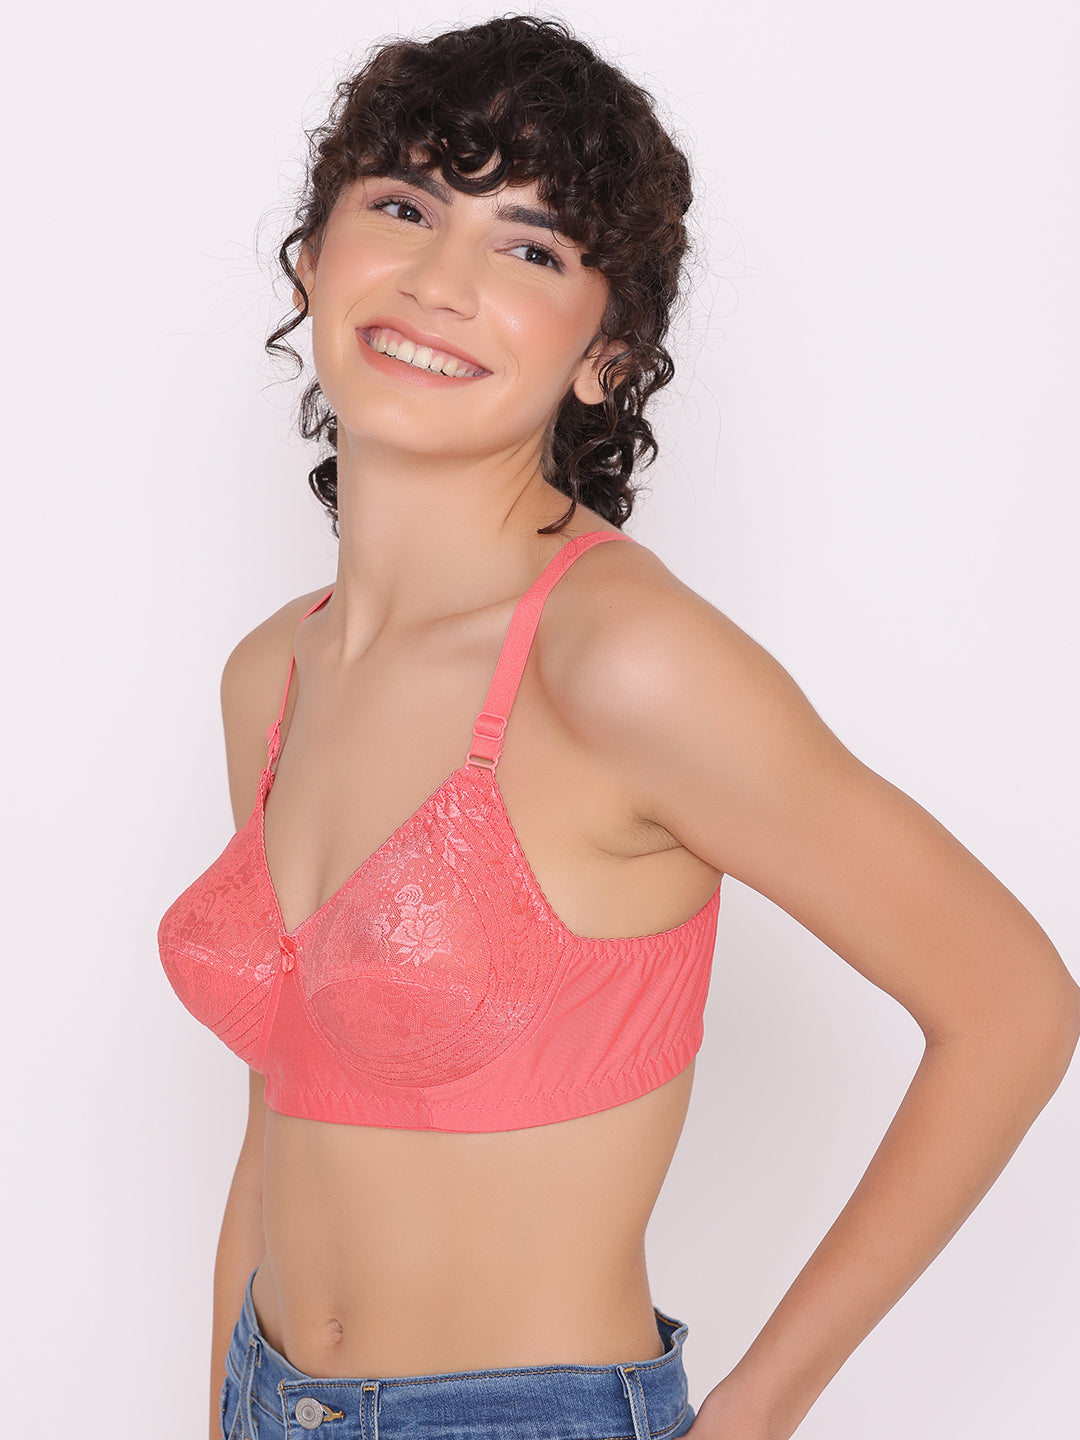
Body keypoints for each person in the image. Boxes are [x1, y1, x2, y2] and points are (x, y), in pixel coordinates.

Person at [157, 15, 1080, 1440]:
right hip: (266, 1395)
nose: (441, 280)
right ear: (311, 263)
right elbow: (277, 1118)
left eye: (531, 250)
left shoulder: (620, 663)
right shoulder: (270, 675)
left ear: (606, 357)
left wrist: (755, 1415)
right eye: (403, 207)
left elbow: (1012, 1005)